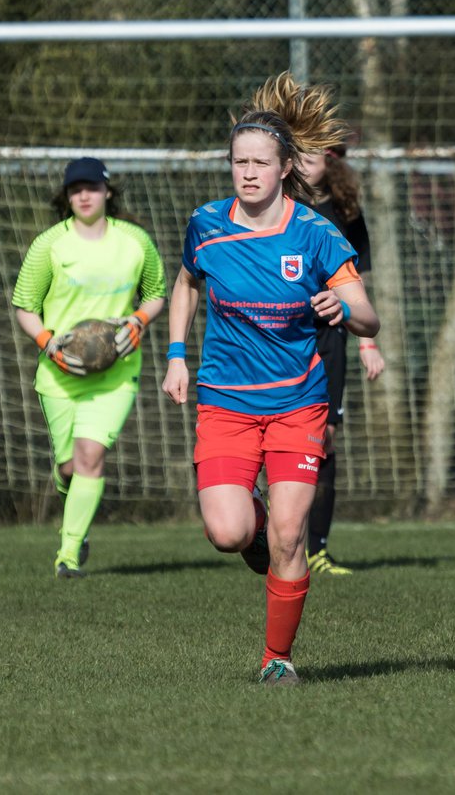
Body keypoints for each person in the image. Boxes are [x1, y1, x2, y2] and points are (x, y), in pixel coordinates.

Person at [161, 73, 381, 685]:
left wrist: (347, 310)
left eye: (261, 162)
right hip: (227, 403)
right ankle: (249, 528)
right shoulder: (207, 223)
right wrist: (177, 353)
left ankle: (277, 659)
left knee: (291, 538)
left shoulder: (315, 233)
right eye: (239, 162)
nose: (248, 172)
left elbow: (369, 312)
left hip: (299, 405)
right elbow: (185, 283)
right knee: (230, 532)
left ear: (286, 166)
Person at [12, 156, 166, 579]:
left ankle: (68, 554)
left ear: (107, 192)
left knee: (90, 457)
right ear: (66, 195)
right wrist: (48, 344)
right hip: (60, 375)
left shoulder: (135, 241)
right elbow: (25, 306)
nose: (84, 195)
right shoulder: (49, 245)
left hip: (116, 375)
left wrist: (139, 321)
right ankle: (73, 503)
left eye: (92, 187)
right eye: (76, 189)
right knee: (69, 468)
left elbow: (156, 294)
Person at [298, 145, 386, 575]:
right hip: (285, 333)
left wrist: (367, 343)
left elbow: (360, 280)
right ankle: (277, 534)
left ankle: (318, 548)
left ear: (332, 161)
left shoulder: (345, 212)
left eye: (315, 153)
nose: (304, 160)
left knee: (325, 437)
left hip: (331, 336)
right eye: (298, 152)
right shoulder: (278, 208)